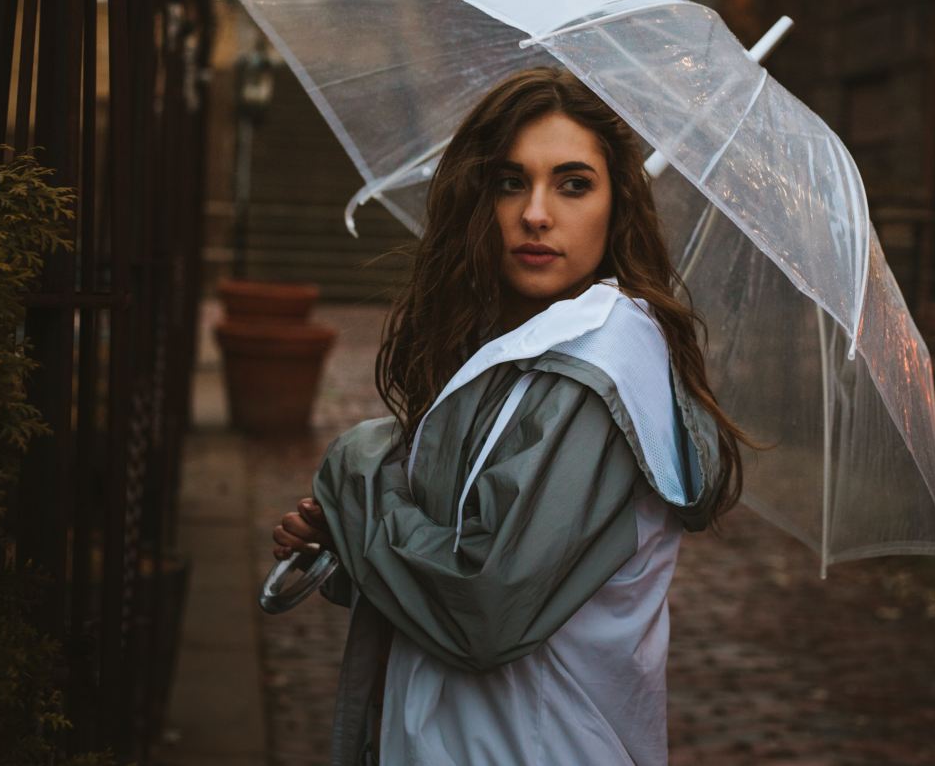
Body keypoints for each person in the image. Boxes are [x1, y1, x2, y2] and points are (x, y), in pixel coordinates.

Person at [270, 65, 749, 765]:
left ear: (617, 204)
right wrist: (349, 543)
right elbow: (466, 537)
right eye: (511, 181)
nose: (535, 213)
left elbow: (483, 605)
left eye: (574, 183)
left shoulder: (600, 371)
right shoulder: (515, 351)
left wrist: (358, 476)